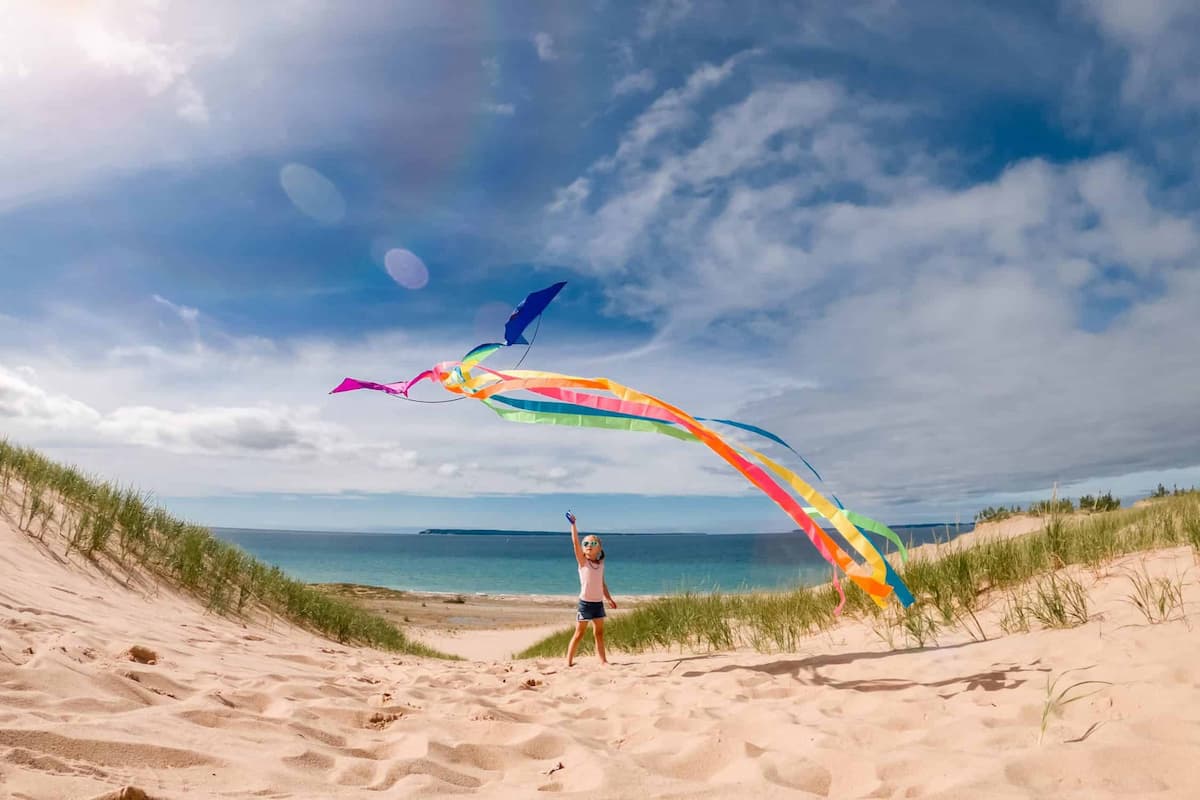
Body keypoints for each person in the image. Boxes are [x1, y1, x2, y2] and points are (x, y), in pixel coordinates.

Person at [564, 511, 617, 666]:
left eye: (592, 544)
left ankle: (603, 660)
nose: (588, 546)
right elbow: (575, 543)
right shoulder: (583, 562)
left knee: (599, 633)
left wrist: (609, 598)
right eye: (585, 543)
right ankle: (568, 661)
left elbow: (602, 583)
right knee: (579, 633)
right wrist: (573, 525)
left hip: (598, 603)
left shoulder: (600, 564)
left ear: (599, 549)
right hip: (585, 603)